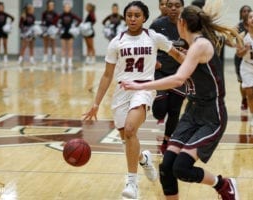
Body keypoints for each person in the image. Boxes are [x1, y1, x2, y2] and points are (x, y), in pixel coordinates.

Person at [121, 1, 242, 199]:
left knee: (182, 168)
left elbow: (178, 79)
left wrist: (140, 85)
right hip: (192, 113)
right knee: (166, 167)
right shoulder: (192, 46)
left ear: (182, 23)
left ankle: (224, 185)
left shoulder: (200, 45)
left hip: (212, 116)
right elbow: (182, 60)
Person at [82, 1, 185, 199]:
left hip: (144, 89)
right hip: (122, 92)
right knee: (127, 139)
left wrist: (193, 67)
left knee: (130, 130)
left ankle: (132, 183)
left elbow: (176, 54)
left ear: (144, 18)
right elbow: (106, 75)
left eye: (137, 15)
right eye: (129, 15)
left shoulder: (153, 37)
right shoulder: (117, 42)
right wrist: (96, 103)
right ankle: (143, 159)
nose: (132, 18)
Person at [150, 0, 187, 154]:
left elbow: (196, 44)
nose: (173, 8)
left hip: (181, 73)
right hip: (161, 72)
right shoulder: (157, 25)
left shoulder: (188, 25)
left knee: (174, 110)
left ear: (182, 7)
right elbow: (147, 45)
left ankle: (167, 139)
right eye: (170, 5)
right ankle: (159, 113)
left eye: (177, 6)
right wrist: (153, 61)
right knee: (160, 110)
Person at [234, 5, 252, 111]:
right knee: (242, 82)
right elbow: (229, 38)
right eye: (244, 11)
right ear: (241, 13)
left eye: (248, 11)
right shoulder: (238, 26)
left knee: (252, 82)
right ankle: (244, 99)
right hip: (240, 58)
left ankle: (251, 99)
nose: (246, 13)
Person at [58, 3, 81, 71]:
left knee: (70, 48)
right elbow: (55, 21)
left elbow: (79, 20)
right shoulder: (61, 15)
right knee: (63, 48)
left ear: (70, 8)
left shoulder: (72, 15)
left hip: (70, 33)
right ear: (63, 8)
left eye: (68, 7)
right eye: (65, 7)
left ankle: (70, 62)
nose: (67, 9)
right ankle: (63, 61)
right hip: (63, 33)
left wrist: (75, 26)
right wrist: (58, 26)